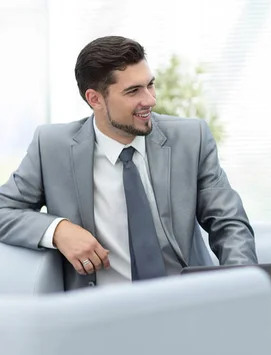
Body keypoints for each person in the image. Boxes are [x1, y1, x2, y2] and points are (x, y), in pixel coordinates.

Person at [0, 36, 257, 290]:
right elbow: (4, 209)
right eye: (133, 91)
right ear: (95, 99)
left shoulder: (191, 139)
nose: (149, 100)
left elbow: (229, 222)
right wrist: (58, 230)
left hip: (186, 304)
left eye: (150, 85)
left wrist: (244, 290)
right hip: (102, 314)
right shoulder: (51, 147)